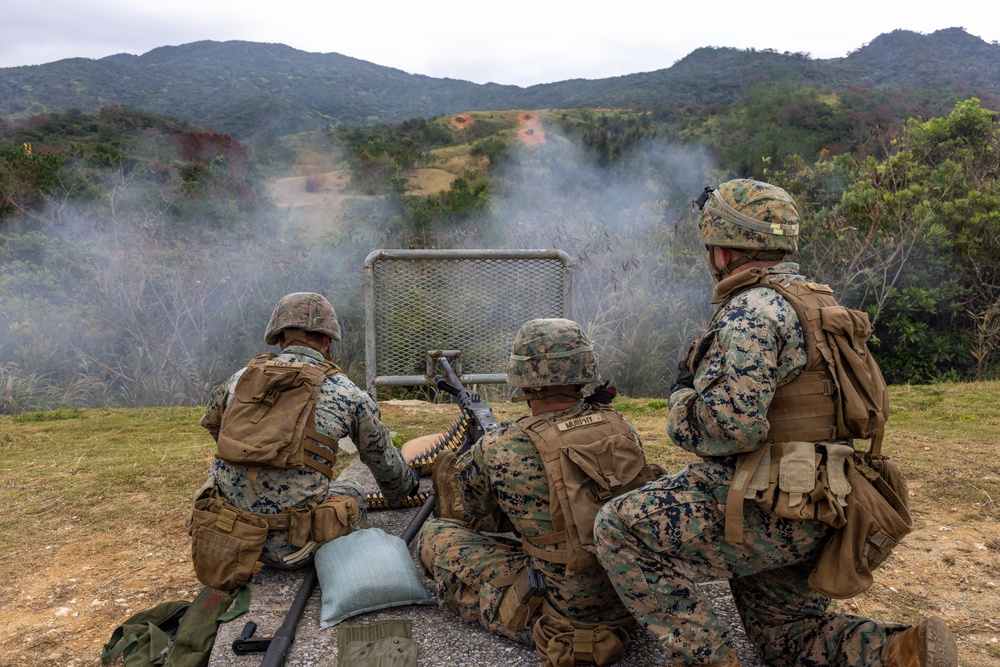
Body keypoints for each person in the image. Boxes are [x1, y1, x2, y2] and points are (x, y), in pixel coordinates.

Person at [593, 179, 959, 667]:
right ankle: (899, 651)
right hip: (829, 500)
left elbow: (732, 428)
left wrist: (681, 399)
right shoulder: (819, 301)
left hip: (768, 507)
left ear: (723, 249)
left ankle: (708, 658)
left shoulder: (750, 311)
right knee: (785, 635)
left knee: (619, 527)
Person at [418, 318, 659, 666]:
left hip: (563, 615)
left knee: (435, 535)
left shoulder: (499, 445)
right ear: (584, 372)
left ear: (523, 383)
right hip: (630, 596)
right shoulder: (622, 427)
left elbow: (479, 519)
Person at [199, 291, 419, 569]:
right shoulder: (347, 392)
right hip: (297, 549)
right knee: (353, 491)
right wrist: (406, 489)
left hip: (230, 536)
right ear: (327, 341)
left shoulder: (240, 378)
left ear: (280, 339)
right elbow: (385, 465)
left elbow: (213, 424)